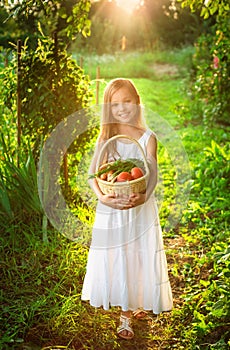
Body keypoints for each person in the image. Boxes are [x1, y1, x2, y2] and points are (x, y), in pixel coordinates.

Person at [81, 78, 173, 340]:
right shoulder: (106, 139)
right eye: (115, 104)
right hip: (113, 209)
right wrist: (105, 199)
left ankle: (137, 300)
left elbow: (152, 176)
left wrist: (143, 198)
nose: (122, 108)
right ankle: (125, 314)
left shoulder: (147, 138)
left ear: (137, 102)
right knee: (120, 256)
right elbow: (92, 176)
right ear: (109, 108)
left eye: (127, 102)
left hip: (139, 209)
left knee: (138, 255)